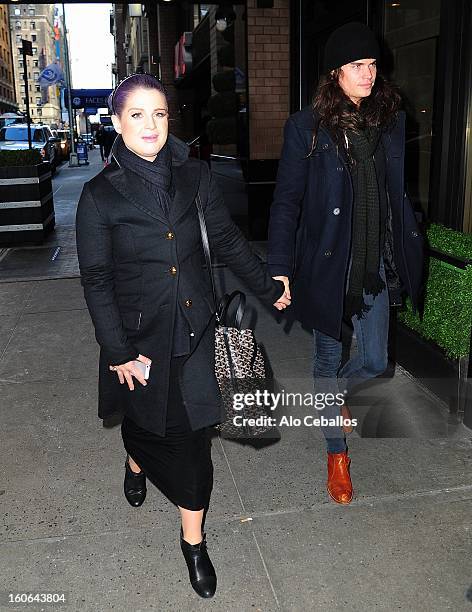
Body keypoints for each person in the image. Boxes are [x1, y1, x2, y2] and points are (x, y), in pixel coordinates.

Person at [75, 73, 290, 599]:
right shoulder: (99, 196)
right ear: (119, 122)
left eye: (160, 114)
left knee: (194, 445)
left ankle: (192, 541)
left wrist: (269, 287)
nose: (150, 125)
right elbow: (97, 281)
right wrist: (119, 352)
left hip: (197, 334)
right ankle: (135, 458)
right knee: (147, 427)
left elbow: (227, 241)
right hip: (141, 341)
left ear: (170, 120)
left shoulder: (194, 177)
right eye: (137, 115)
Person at [268, 23, 424, 505]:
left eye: (373, 64)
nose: (369, 73)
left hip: (375, 263)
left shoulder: (390, 121)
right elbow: (286, 202)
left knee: (376, 360)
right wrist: (280, 266)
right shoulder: (307, 128)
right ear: (336, 73)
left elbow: (395, 192)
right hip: (327, 265)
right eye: (359, 65)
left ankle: (332, 403)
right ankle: (336, 454)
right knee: (326, 358)